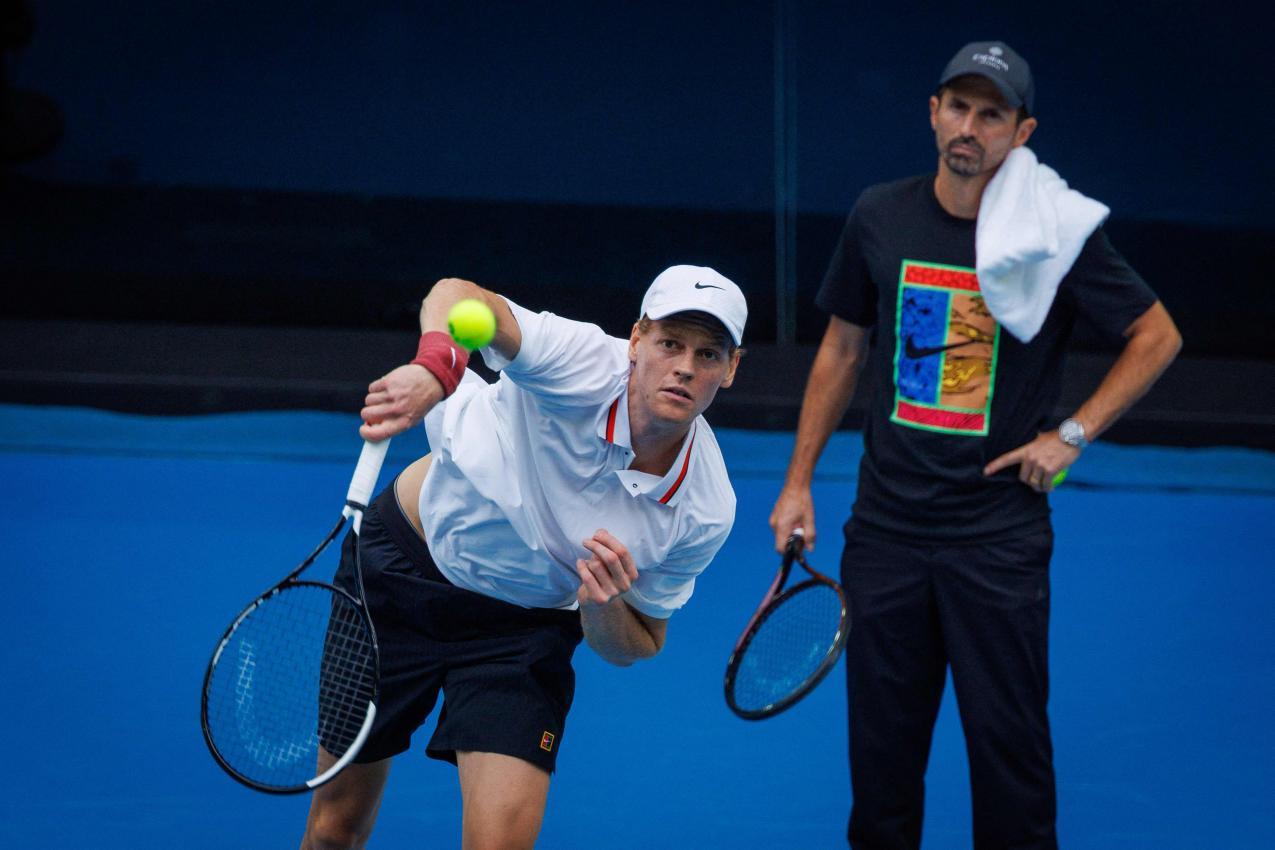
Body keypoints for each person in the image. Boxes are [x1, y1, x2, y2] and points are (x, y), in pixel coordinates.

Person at [768, 41, 1182, 849]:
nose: (969, 126)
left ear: (1020, 131)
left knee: (1009, 761)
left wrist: (1071, 434)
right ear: (932, 114)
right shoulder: (877, 215)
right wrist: (796, 483)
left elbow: (1156, 334)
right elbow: (841, 349)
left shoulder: (1055, 235)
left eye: (991, 113)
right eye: (957, 106)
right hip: (883, 535)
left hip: (996, 541)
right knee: (880, 766)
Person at [301, 265, 746, 850]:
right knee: (336, 830)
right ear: (636, 340)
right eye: (670, 343)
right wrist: (436, 366)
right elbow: (460, 299)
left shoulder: (705, 507)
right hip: (400, 577)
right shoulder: (580, 361)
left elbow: (639, 642)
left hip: (520, 631)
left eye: (709, 354)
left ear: (731, 369)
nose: (686, 366)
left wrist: (603, 607)